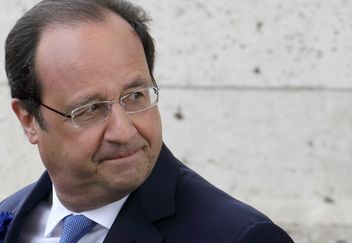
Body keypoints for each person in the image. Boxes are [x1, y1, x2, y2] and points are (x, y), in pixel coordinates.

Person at [0, 0, 294, 242]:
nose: (124, 131)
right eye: (89, 109)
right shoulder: (12, 218)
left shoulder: (238, 236)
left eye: (136, 96)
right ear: (28, 120)